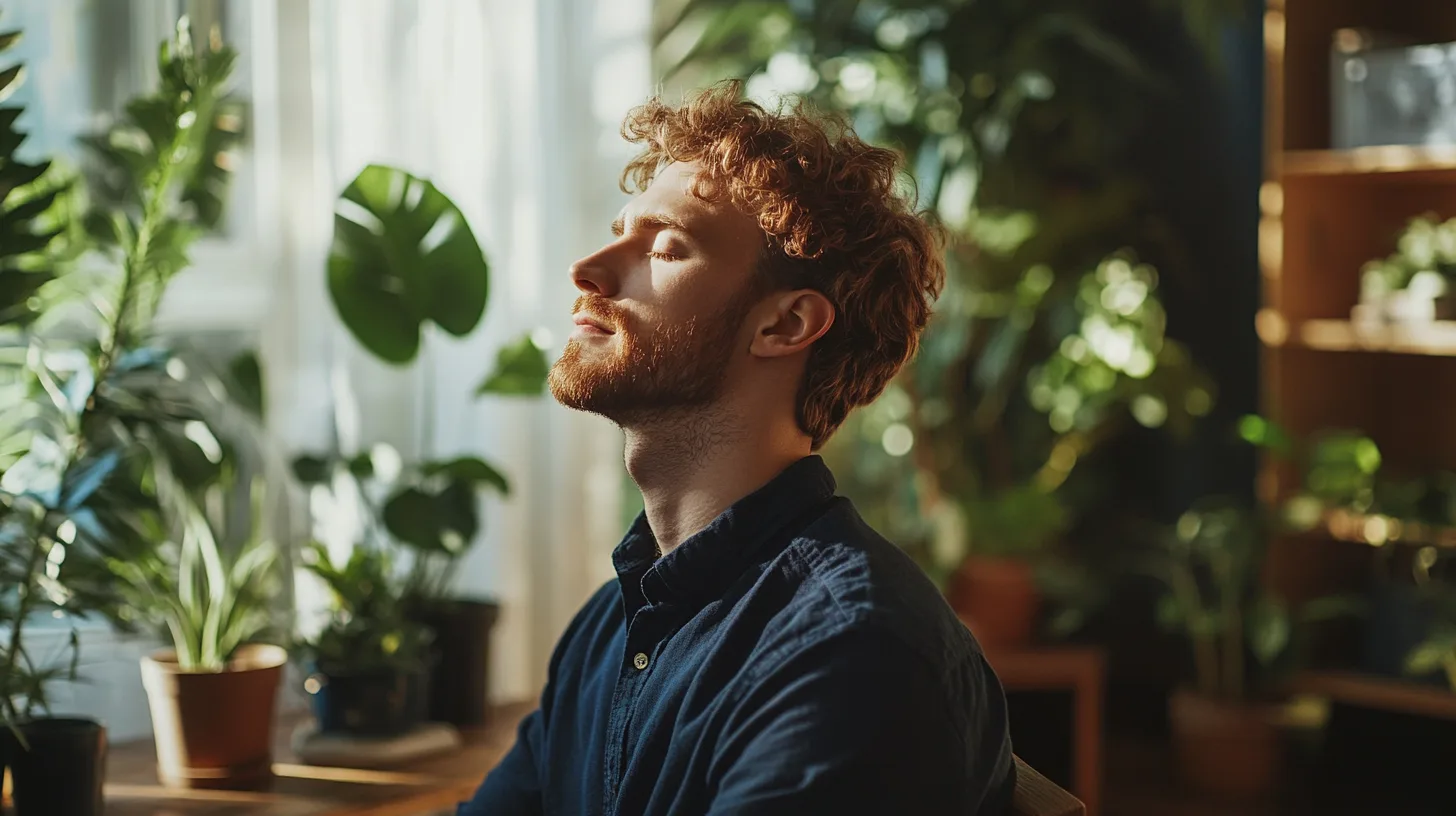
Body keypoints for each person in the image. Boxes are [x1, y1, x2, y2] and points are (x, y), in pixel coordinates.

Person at [459, 82, 1015, 816]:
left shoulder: (850, 654)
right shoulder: (611, 624)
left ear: (785, 325)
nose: (588, 268)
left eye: (664, 247)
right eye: (617, 230)